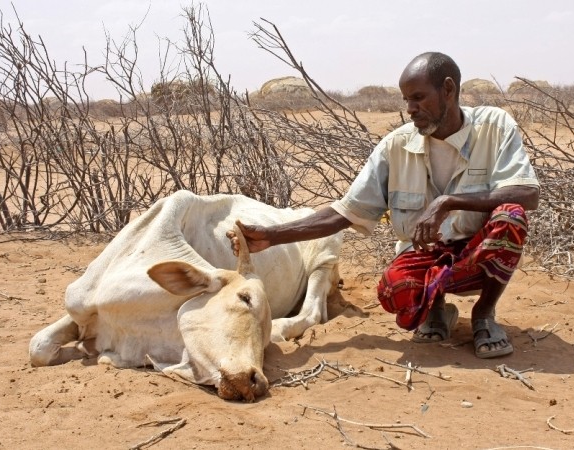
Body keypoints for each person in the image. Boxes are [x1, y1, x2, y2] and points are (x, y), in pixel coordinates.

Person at [228, 52, 539, 359]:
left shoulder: (494, 126)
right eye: (406, 100)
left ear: (448, 90)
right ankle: (437, 310)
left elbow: (528, 194)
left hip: (477, 251)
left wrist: (449, 201)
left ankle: (484, 314)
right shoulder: (396, 146)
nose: (410, 109)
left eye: (418, 98)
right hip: (426, 255)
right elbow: (344, 212)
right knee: (394, 290)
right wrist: (272, 236)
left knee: (510, 216)